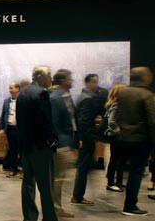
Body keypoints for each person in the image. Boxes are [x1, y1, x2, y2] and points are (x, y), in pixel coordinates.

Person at [16, 66, 58, 221]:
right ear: (40, 76)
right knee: (46, 186)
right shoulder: (41, 93)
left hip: (25, 146)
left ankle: (29, 217)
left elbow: (20, 121)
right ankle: (49, 218)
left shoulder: (22, 93)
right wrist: (52, 141)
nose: (51, 79)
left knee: (28, 183)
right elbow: (45, 121)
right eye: (49, 75)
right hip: (40, 147)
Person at [116, 67, 155, 216]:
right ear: (145, 78)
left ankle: (129, 204)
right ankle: (130, 205)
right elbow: (152, 121)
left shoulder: (123, 92)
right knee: (136, 172)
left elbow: (118, 115)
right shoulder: (147, 95)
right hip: (140, 140)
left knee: (126, 170)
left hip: (123, 138)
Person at [71, 74, 103, 206]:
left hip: (84, 138)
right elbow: (84, 122)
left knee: (83, 168)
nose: (96, 85)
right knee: (83, 168)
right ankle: (78, 196)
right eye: (94, 82)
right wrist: (86, 138)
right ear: (88, 83)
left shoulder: (83, 97)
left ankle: (78, 196)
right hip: (86, 139)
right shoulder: (87, 99)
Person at [49, 69, 78, 218]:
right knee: (57, 179)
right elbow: (54, 124)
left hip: (67, 142)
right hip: (60, 144)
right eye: (69, 78)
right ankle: (55, 208)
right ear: (62, 81)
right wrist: (59, 145)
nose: (71, 80)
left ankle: (56, 207)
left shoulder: (66, 96)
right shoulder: (55, 98)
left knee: (60, 178)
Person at [104, 83, 127, 193]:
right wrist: (119, 131)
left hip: (117, 136)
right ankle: (111, 183)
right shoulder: (116, 105)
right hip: (116, 136)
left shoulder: (116, 104)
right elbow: (111, 121)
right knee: (115, 159)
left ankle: (119, 181)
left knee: (120, 159)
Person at [0, 82, 21, 178]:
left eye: (11, 88)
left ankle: (25, 170)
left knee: (22, 151)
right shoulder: (6, 101)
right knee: (12, 150)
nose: (10, 90)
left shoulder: (22, 101)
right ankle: (13, 169)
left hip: (20, 129)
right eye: (9, 88)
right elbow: (3, 114)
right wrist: (2, 128)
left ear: (17, 89)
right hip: (10, 129)